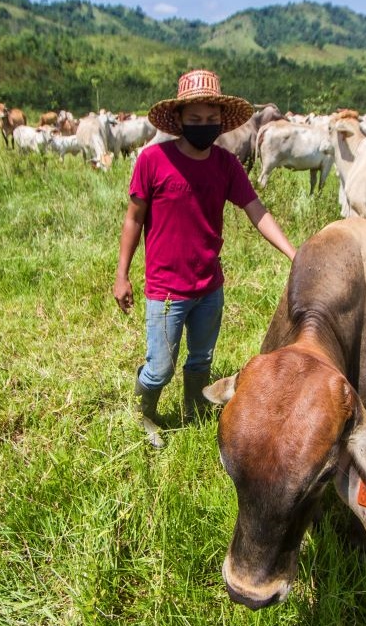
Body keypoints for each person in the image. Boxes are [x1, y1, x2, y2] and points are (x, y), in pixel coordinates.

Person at [113, 69, 297, 448]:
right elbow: (133, 218)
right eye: (195, 120)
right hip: (166, 291)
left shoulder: (226, 165)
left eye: (210, 120)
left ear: (220, 123)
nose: (203, 126)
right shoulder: (152, 160)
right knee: (159, 368)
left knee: (201, 359)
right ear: (178, 121)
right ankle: (144, 411)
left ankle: (193, 410)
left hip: (209, 288)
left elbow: (256, 210)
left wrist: (295, 253)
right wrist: (122, 275)